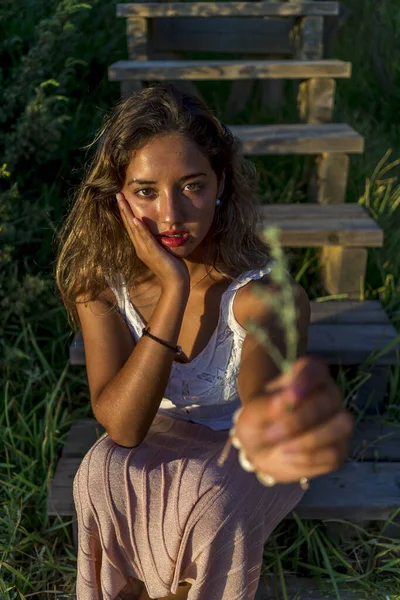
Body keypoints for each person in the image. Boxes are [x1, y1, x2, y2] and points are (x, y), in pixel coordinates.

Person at [54, 83, 354, 600]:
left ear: (221, 184)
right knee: (98, 472)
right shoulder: (98, 282)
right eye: (146, 191)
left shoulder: (260, 301)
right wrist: (174, 289)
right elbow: (124, 427)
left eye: (191, 186)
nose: (171, 215)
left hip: (245, 441)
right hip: (155, 431)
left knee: (208, 497)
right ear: (118, 197)